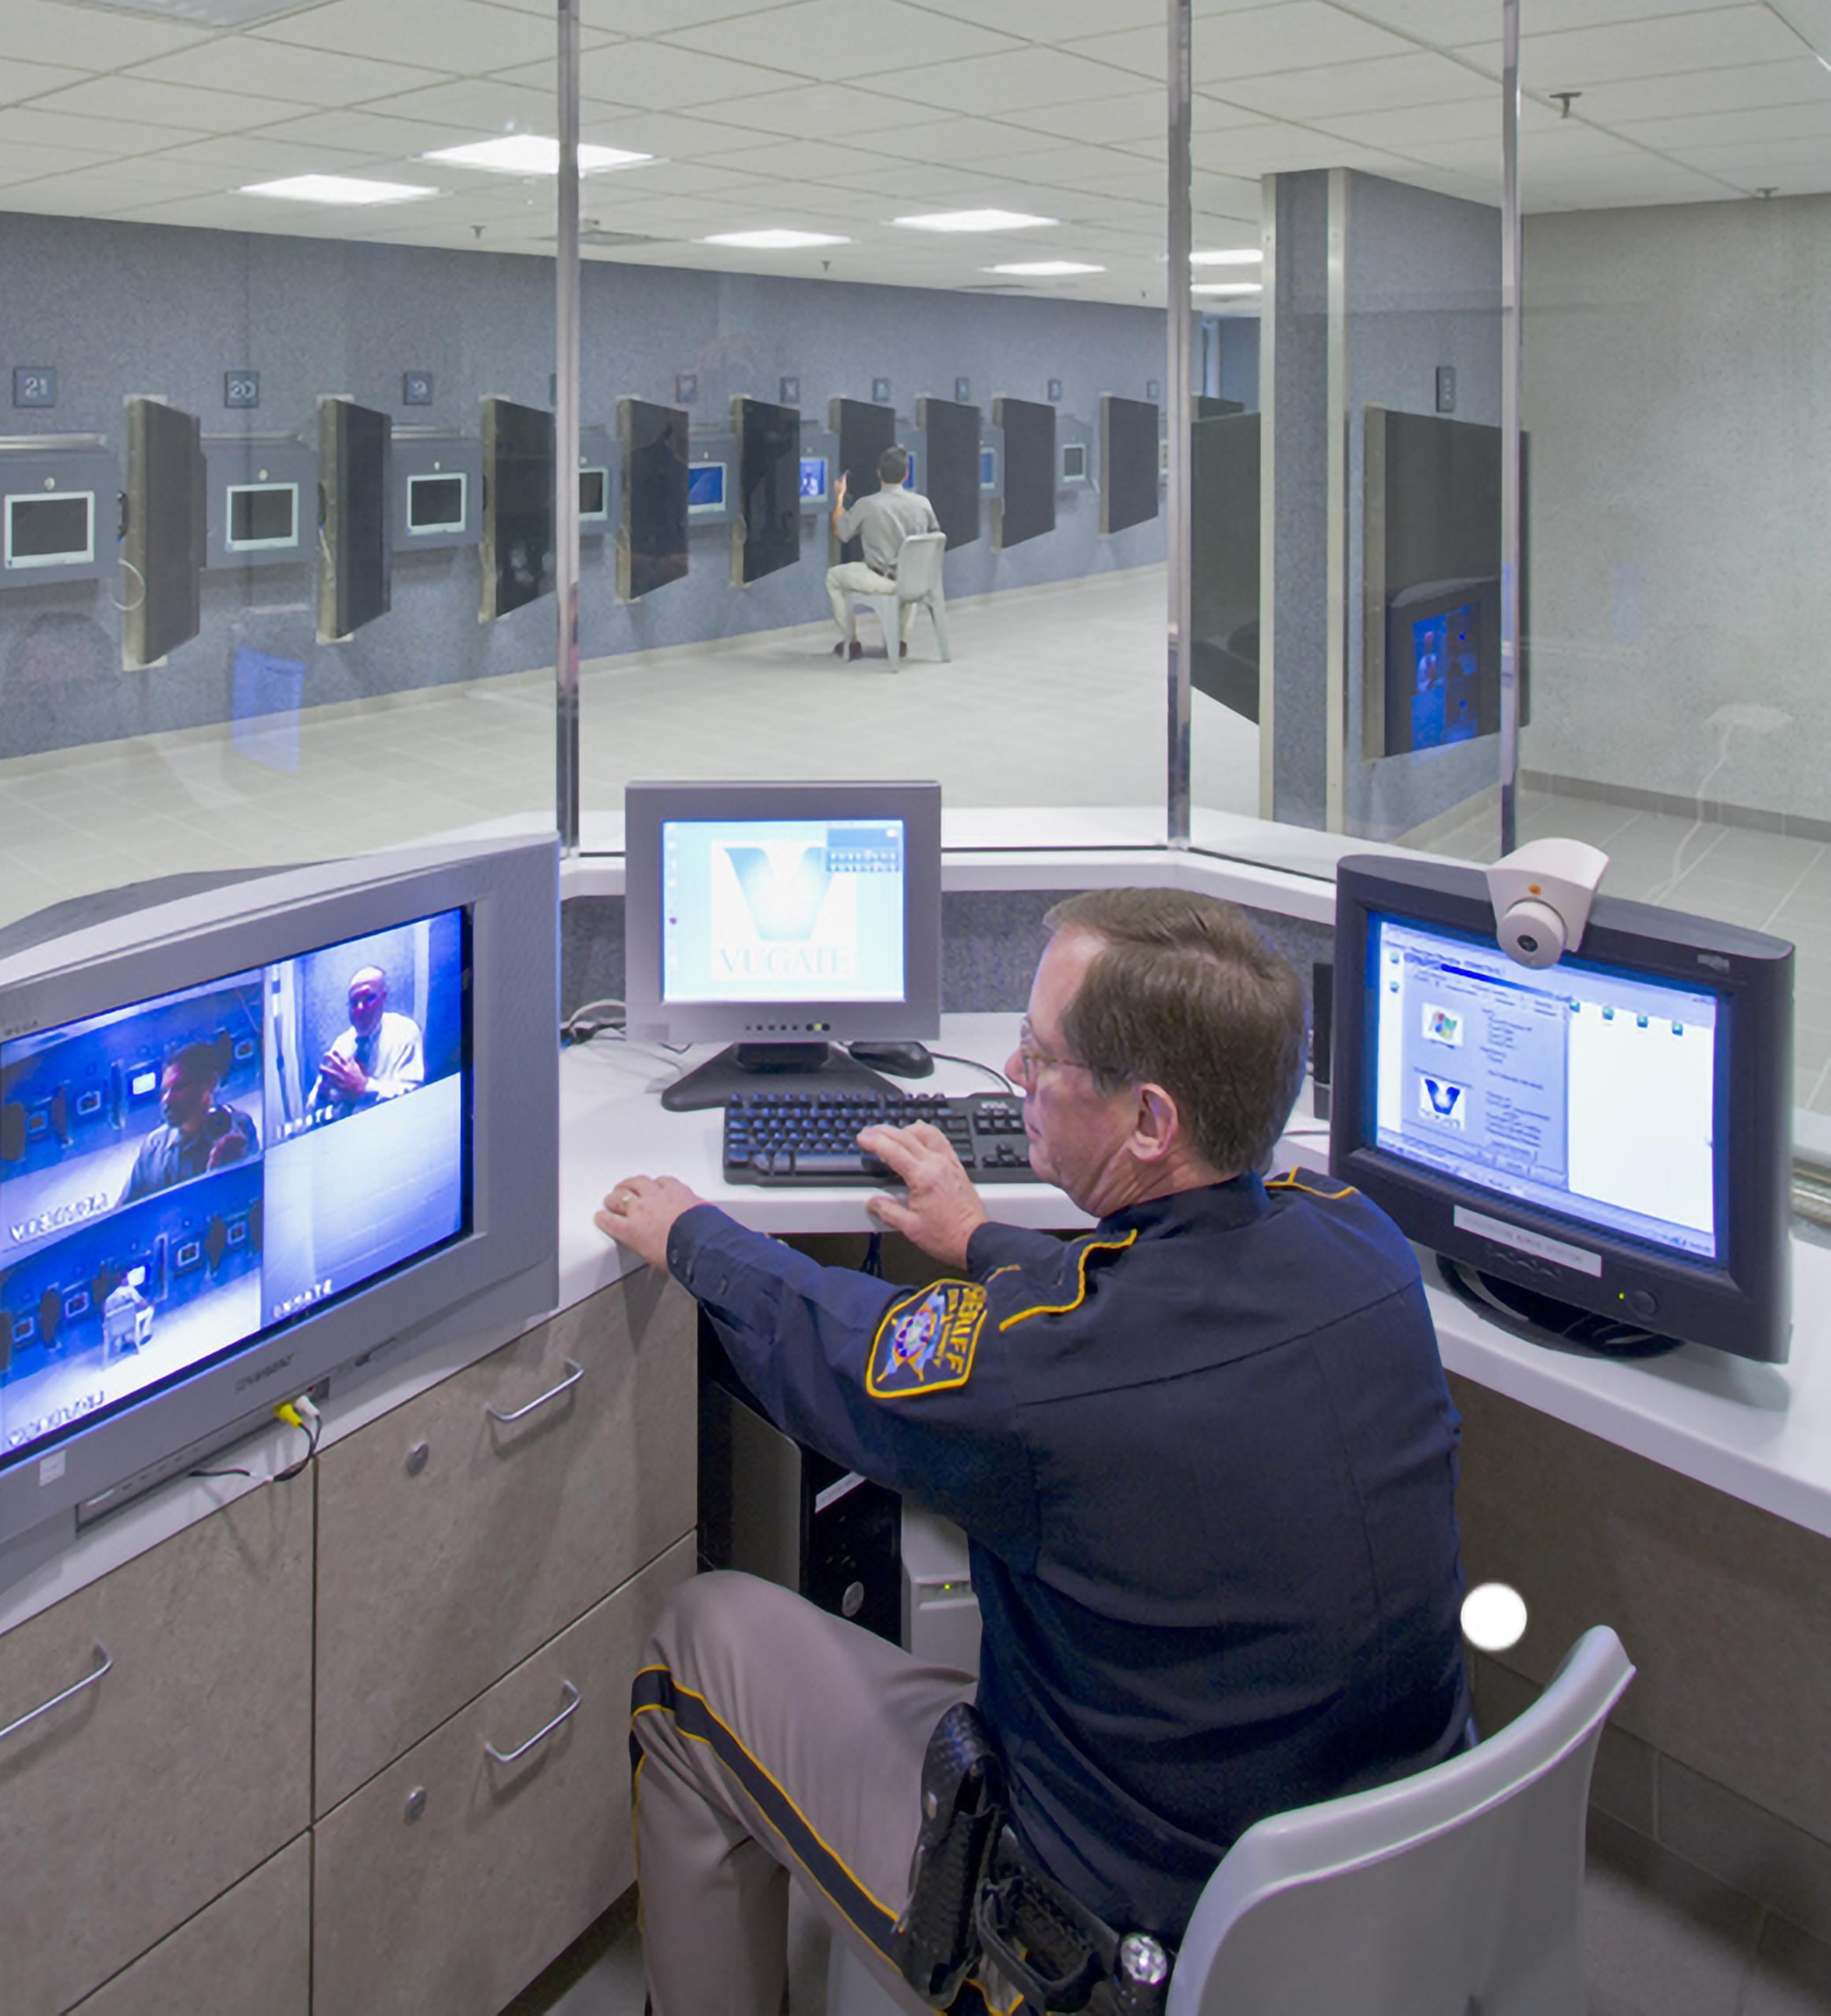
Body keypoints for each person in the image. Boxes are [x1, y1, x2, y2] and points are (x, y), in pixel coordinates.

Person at [596, 888, 1469, 2015]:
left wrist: (693, 1234)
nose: (1011, 1071)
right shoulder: (1366, 1245)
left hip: (1101, 1948)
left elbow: (835, 1349)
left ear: (1151, 1122)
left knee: (700, 1638)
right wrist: (981, 1236)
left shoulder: (1041, 1380)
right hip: (1372, 1906)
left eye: (1042, 1057)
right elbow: (1134, 1295)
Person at [826, 444, 940, 661]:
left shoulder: (867, 505)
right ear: (906, 474)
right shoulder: (923, 504)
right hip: (916, 580)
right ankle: (900, 641)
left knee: (833, 577)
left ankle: (851, 642)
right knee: (909, 573)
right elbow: (934, 536)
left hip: (882, 579)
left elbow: (841, 532)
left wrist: (839, 497)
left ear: (879, 473)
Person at [122, 1041, 258, 1201]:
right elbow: (122, 1210)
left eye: (179, 1087)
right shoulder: (154, 1147)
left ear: (210, 1082)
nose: (168, 1099)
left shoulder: (235, 1128)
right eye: (165, 1091)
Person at [307, 964, 424, 1112]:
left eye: (368, 998)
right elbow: (311, 1106)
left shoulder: (405, 1031)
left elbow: (414, 1096)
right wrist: (322, 1094)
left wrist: (364, 1088)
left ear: (383, 997)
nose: (360, 1008)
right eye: (354, 1003)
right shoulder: (341, 1044)